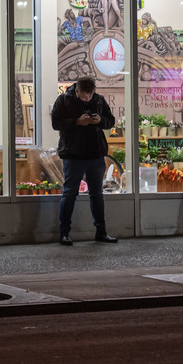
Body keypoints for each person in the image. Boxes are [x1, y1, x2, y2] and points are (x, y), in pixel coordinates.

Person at [51, 76, 118, 245]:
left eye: (90, 95)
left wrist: (100, 121)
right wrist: (76, 122)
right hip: (73, 154)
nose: (87, 98)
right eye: (84, 95)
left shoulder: (99, 100)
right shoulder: (64, 100)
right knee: (69, 193)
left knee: (97, 194)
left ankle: (101, 232)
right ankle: (64, 233)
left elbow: (110, 121)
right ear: (77, 90)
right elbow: (56, 123)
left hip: (95, 154)